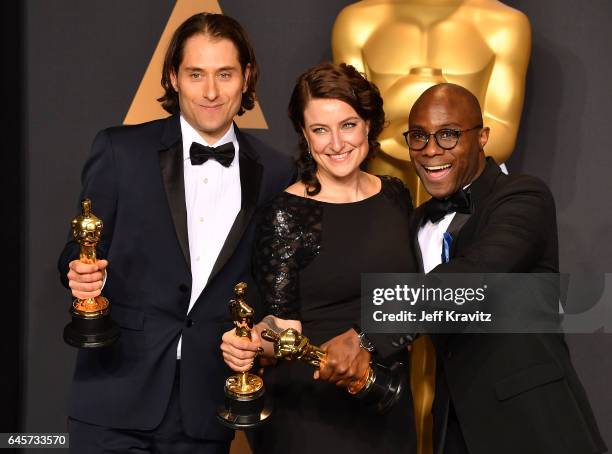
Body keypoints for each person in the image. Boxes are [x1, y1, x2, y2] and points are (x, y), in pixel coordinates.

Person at [57, 12, 295, 454]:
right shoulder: (119, 150)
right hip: (115, 396)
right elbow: (81, 247)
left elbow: (272, 283)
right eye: (196, 74)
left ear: (246, 77)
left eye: (224, 74)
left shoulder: (279, 172)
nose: (210, 91)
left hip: (205, 408)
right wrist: (80, 274)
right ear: (173, 77)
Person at [380, 83, 607, 454]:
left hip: (532, 419)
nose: (431, 149)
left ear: (483, 137)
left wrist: (368, 331)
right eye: (418, 136)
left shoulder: (522, 197)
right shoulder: (416, 220)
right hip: (453, 424)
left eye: (448, 135)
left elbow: (475, 274)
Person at [220, 62, 416, 453]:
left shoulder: (395, 194)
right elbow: (281, 323)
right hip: (312, 413)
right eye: (319, 130)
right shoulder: (287, 212)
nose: (336, 143)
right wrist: (253, 341)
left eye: (347, 125)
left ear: (368, 124)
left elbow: (411, 294)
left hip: (385, 400)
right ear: (305, 137)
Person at [331, 0, 531, 204]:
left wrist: (412, 141)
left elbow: (501, 131)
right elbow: (347, 119)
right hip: (379, 195)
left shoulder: (505, 25)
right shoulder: (356, 22)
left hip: (466, 202)